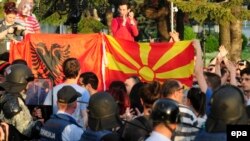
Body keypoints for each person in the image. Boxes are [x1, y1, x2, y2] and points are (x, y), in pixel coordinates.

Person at [43, 58, 90, 128]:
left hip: (55, 129)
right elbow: (85, 115)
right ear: (79, 71)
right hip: (75, 133)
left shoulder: (53, 90)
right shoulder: (84, 92)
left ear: (63, 71)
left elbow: (45, 112)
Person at [0, 64, 42, 140]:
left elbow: (16, 121)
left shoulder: (10, 95)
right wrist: (39, 122)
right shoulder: (13, 102)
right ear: (22, 81)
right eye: (28, 80)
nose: (30, 83)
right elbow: (26, 131)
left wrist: (32, 117)